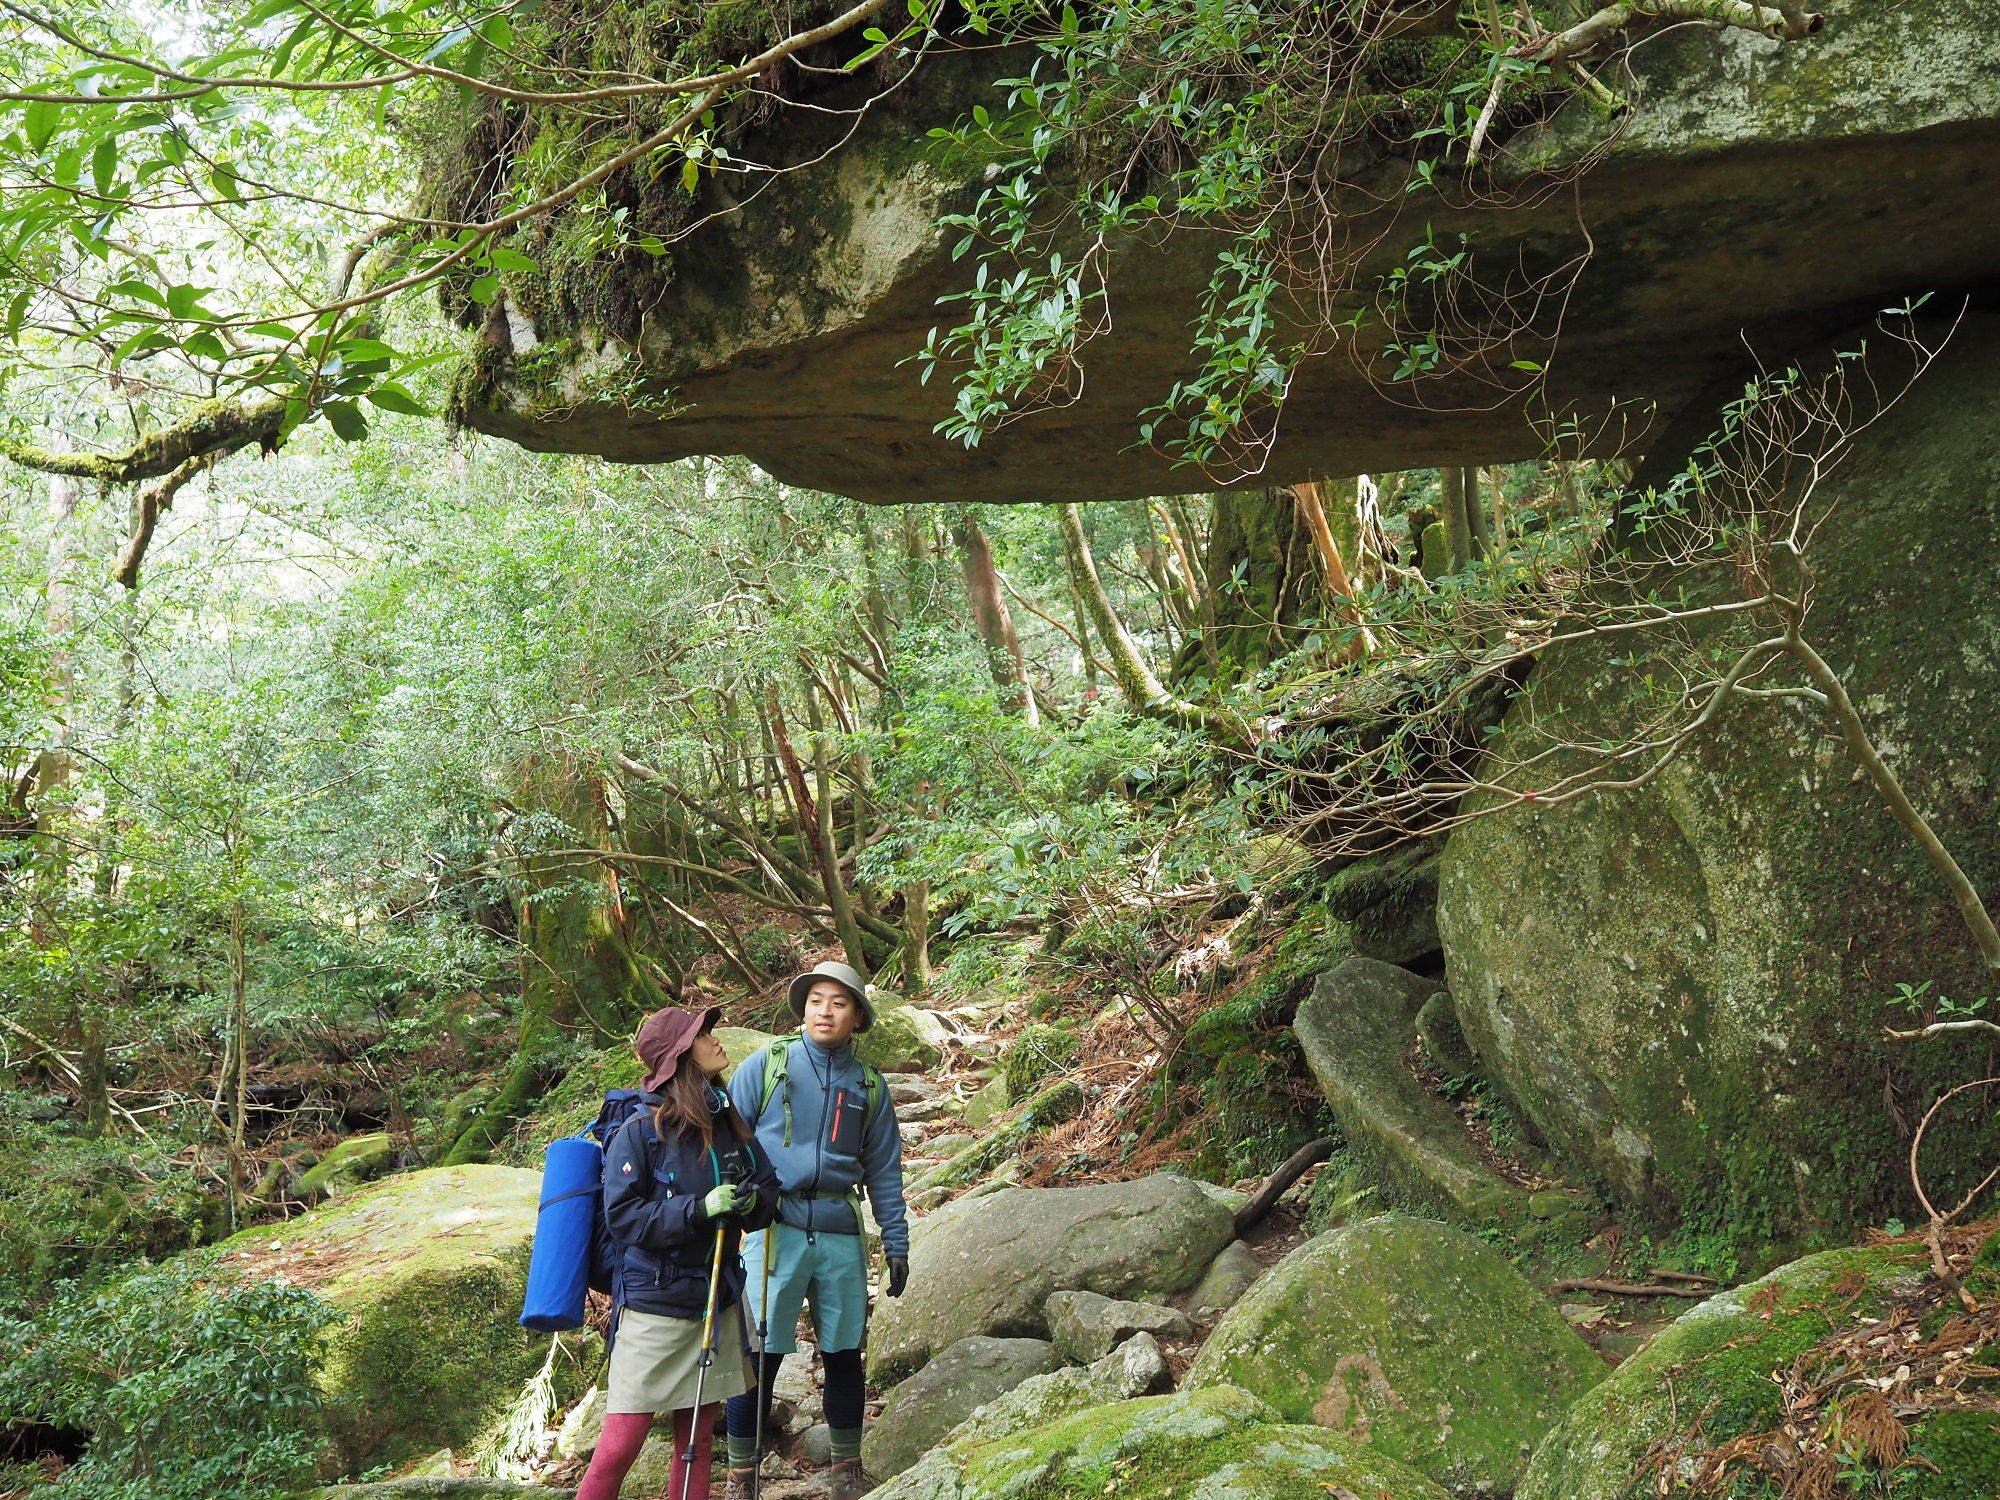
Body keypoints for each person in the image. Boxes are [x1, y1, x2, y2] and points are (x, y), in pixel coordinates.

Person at [577, 1005, 781, 1500]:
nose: (715, 1040)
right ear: (679, 1058)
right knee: (619, 1446)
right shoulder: (641, 1134)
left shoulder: (728, 1124)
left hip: (715, 1302)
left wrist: (754, 1204)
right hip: (654, 1310)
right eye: (703, 1035)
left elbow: (769, 1188)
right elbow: (624, 1219)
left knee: (697, 1445)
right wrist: (698, 1210)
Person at [722, 961, 909, 1500]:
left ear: (857, 1016)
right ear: (803, 1008)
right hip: (772, 1227)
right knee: (760, 1355)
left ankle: (846, 1469)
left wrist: (895, 1240)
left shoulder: (869, 1086)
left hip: (839, 1231)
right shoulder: (770, 1062)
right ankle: (741, 1475)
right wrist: (734, 1188)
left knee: (844, 1350)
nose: (825, 1011)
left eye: (839, 1002)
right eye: (816, 1000)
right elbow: (727, 1133)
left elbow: (884, 1170)